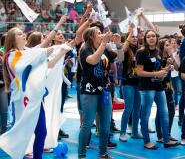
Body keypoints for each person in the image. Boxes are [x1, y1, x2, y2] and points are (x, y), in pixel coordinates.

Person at [0, 27, 70, 159]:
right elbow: (22, 66)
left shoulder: (28, 52)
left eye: (23, 33)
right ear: (12, 39)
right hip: (21, 101)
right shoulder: (11, 56)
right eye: (19, 34)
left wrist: (61, 52)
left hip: (36, 99)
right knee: (20, 134)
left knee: (41, 132)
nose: (23, 35)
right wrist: (49, 49)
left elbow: (48, 65)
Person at [136, 30, 179, 149]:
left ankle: (166, 139)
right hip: (146, 88)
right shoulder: (141, 52)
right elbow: (139, 72)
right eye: (148, 36)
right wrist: (156, 73)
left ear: (156, 38)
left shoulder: (158, 51)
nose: (151, 38)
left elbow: (160, 70)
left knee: (165, 113)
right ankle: (146, 142)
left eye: (153, 36)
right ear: (145, 39)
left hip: (159, 87)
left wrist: (166, 68)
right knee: (145, 115)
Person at [78, 27, 116, 159]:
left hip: (104, 90)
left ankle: (103, 153)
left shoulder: (104, 48)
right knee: (87, 124)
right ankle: (82, 155)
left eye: (101, 33)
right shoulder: (85, 49)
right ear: (91, 37)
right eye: (98, 33)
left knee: (105, 124)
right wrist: (104, 43)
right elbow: (93, 60)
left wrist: (119, 43)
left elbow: (119, 56)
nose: (101, 35)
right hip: (89, 91)